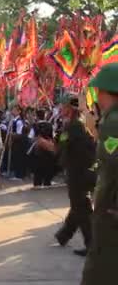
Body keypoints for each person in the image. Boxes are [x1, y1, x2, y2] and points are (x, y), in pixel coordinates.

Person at [81, 63, 118, 285]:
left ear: (106, 92)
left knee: (99, 270)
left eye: (99, 91)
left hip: (111, 212)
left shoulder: (113, 123)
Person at [54, 96, 96, 257]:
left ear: (69, 108)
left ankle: (92, 244)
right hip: (85, 171)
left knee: (81, 208)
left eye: (62, 106)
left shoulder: (73, 126)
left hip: (78, 173)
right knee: (79, 205)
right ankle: (63, 235)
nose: (60, 109)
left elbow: (60, 147)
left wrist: (47, 143)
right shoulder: (81, 123)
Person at [30, 109, 57, 189]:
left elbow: (31, 136)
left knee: (38, 166)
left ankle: (38, 183)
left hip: (38, 148)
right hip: (48, 147)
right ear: (44, 115)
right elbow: (53, 136)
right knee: (48, 164)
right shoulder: (50, 125)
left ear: (37, 116)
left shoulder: (35, 125)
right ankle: (47, 182)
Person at [8, 105, 28, 180]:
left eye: (15, 110)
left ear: (19, 111)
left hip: (19, 142)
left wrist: (11, 134)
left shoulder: (19, 121)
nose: (13, 111)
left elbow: (19, 133)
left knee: (19, 158)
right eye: (13, 110)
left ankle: (19, 175)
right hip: (15, 141)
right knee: (16, 157)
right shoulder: (14, 120)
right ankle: (17, 173)